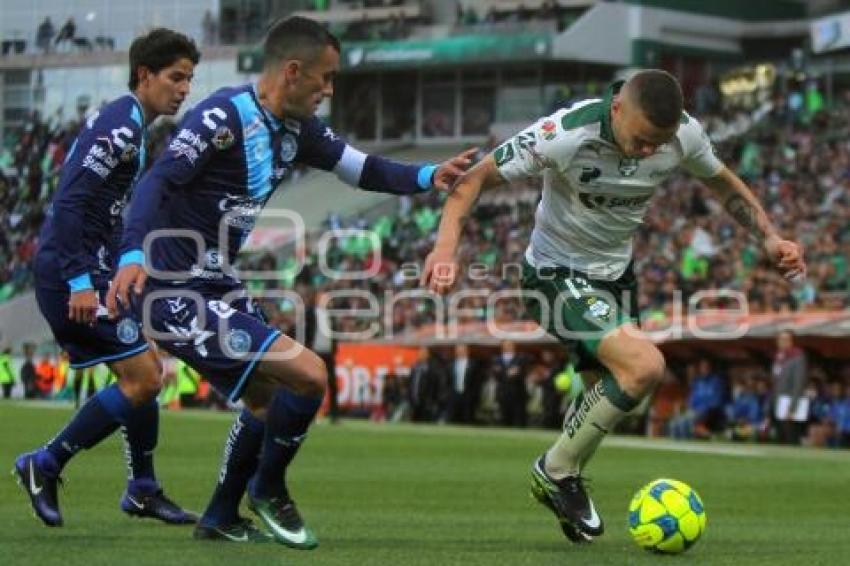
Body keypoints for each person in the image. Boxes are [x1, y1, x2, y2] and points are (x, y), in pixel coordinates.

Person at [106, 16, 474, 546]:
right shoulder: (222, 117)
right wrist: (133, 251)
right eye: (325, 79)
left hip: (217, 281)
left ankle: (219, 516)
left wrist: (427, 176)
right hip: (173, 286)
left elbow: (362, 168)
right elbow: (158, 180)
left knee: (269, 395)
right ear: (293, 71)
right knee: (309, 374)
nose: (328, 90)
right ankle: (269, 487)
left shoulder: (299, 131)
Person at [421, 69, 806, 543]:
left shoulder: (683, 134)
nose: (648, 152)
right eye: (642, 140)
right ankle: (554, 470)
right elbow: (474, 180)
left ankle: (565, 482)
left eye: (656, 146)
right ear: (618, 108)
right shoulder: (565, 133)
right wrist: (444, 248)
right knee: (644, 366)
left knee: (603, 394)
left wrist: (768, 236)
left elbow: (723, 184)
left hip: (616, 278)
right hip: (553, 273)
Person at [13, 29, 200, 529]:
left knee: (146, 369)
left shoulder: (130, 123)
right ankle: (44, 463)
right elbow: (71, 200)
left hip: (91, 267)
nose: (184, 89)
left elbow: (106, 210)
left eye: (190, 79)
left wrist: (123, 262)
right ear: (145, 75)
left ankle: (142, 488)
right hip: (70, 269)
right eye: (175, 77)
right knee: (143, 376)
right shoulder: (121, 124)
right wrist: (78, 279)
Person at [771, 329, 808, 445]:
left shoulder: (798, 358)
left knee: (790, 437)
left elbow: (799, 383)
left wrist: (792, 408)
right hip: (777, 402)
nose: (782, 342)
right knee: (780, 437)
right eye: (780, 339)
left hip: (789, 403)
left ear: (792, 341)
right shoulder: (778, 357)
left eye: (786, 339)